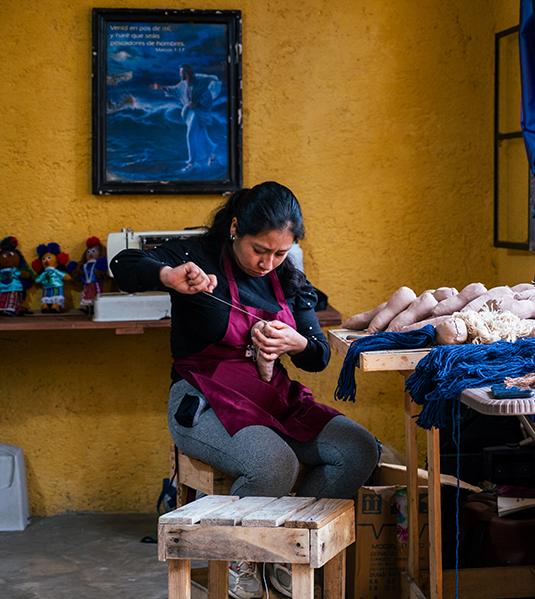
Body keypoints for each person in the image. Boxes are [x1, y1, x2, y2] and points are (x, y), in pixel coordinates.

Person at [111, 181, 380, 599]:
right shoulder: (196, 258)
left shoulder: (288, 277)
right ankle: (243, 562)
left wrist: (297, 342)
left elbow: (318, 356)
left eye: (279, 253)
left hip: (270, 394)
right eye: (260, 250)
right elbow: (123, 263)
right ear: (235, 227)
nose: (267, 263)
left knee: (359, 449)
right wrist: (168, 275)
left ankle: (280, 553)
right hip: (201, 398)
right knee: (273, 464)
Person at [150, 63, 222, 172]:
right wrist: (160, 87)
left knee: (190, 135)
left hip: (198, 113)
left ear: (186, 73)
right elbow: (173, 89)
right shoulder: (182, 84)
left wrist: (197, 104)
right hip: (189, 113)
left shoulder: (200, 82)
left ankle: (192, 162)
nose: (180, 75)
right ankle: (211, 155)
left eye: (181, 73)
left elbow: (208, 98)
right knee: (201, 135)